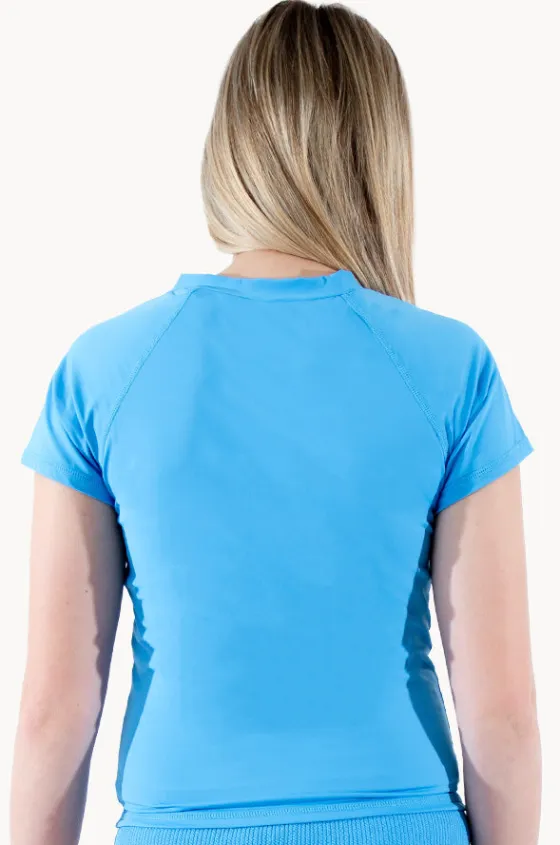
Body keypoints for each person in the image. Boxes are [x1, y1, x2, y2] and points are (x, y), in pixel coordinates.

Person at [10, 2, 541, 844]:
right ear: (379, 156)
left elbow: (54, 711)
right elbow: (501, 714)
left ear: (231, 150)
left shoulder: (102, 370)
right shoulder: (449, 366)